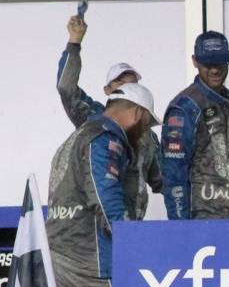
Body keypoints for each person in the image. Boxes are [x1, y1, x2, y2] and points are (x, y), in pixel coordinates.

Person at [47, 83, 159, 287]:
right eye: (147, 123)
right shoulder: (106, 137)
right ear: (137, 113)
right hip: (92, 262)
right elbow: (104, 194)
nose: (146, 132)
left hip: (60, 258)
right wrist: (131, 244)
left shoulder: (77, 136)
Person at [57, 15, 162, 219]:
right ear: (108, 90)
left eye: (133, 85)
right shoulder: (93, 119)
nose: (128, 89)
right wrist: (74, 42)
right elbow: (66, 87)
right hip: (100, 226)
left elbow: (164, 179)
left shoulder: (148, 136)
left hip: (131, 225)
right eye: (121, 84)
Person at [160, 31, 229, 219]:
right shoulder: (185, 107)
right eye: (208, 64)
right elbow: (174, 173)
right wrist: (181, 226)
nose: (215, 70)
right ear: (195, 61)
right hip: (202, 219)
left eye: (220, 62)